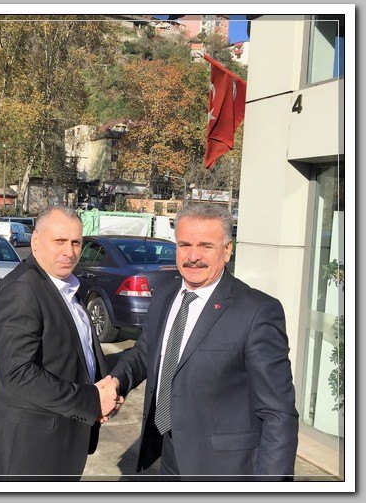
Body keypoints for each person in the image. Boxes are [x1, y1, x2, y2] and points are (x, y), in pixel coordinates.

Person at [107, 203, 298, 481]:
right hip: (169, 454)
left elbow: (278, 413)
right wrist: (116, 381)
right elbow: (146, 351)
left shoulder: (257, 311)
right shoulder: (165, 294)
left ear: (227, 250)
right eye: (184, 245)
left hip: (225, 469)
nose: (193, 256)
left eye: (206, 246)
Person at [0, 205, 122, 481]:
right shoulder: (22, 290)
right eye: (59, 241)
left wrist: (105, 391)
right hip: (29, 456)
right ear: (35, 241)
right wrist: (91, 400)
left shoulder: (66, 286)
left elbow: (73, 358)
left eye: (76, 242)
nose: (69, 252)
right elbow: (18, 374)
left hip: (61, 444)